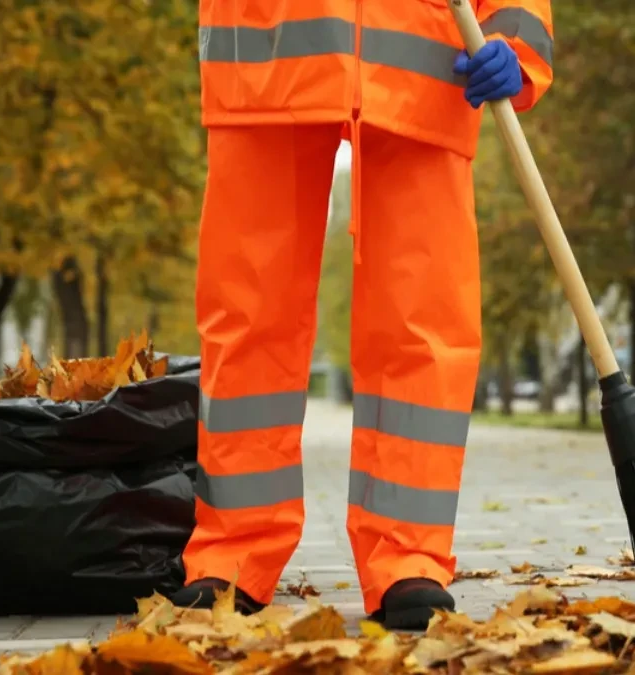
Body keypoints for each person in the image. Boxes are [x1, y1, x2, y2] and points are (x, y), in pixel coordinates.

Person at [171, 0, 553, 630]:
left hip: (429, 68)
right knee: (248, 319)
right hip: (265, 56)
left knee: (423, 324)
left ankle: (408, 560)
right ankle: (234, 555)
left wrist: (517, 46)